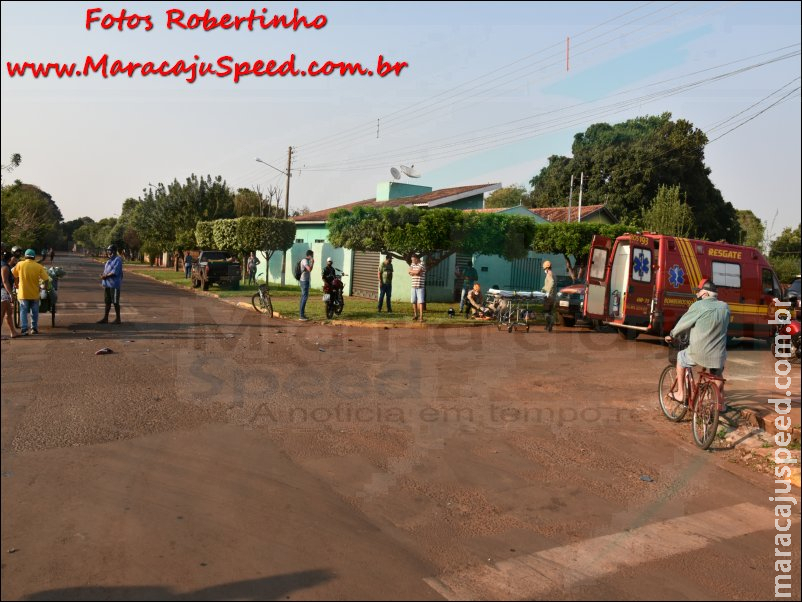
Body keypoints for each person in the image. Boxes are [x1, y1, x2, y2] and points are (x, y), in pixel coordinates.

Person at [664, 278, 730, 404]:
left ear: (705, 294)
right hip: (719, 354)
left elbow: (683, 324)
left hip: (699, 353)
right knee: (717, 373)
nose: (697, 294)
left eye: (699, 292)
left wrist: (672, 335)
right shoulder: (725, 307)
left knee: (681, 357)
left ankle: (680, 394)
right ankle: (719, 403)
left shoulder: (698, 305)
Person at [11, 249, 50, 335]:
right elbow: (46, 279)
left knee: (23, 311)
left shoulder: (20, 264)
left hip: (23, 293)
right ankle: (34, 328)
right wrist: (44, 289)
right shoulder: (38, 266)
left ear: (25, 256)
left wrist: (16, 284)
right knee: (35, 312)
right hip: (34, 294)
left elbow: (13, 274)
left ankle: (24, 329)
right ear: (34, 257)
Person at [98, 244, 124, 324]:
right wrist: (103, 275)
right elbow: (107, 270)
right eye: (108, 250)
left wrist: (105, 276)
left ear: (113, 251)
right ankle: (105, 318)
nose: (108, 252)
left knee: (115, 301)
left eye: (109, 250)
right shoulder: (109, 260)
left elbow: (114, 272)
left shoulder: (118, 259)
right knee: (107, 301)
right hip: (107, 284)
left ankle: (118, 319)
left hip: (114, 285)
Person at [1, 251, 21, 339]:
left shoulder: (6, 265)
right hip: (3, 292)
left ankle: (13, 332)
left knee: (9, 313)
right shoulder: (4, 267)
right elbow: (5, 282)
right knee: (1, 314)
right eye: (13, 257)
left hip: (4, 291)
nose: (14, 258)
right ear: (10, 258)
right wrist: (10, 294)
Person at [408, 254, 426, 322]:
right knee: (413, 301)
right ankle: (415, 315)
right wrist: (415, 273)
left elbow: (417, 271)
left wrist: (413, 272)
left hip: (420, 286)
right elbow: (409, 271)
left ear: (416, 258)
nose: (412, 261)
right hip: (413, 286)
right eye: (411, 260)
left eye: (413, 260)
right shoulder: (412, 264)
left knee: (420, 302)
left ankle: (421, 317)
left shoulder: (422, 263)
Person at [299, 250, 314, 321]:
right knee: (304, 297)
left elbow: (309, 269)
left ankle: (302, 314)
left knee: (303, 297)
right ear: (310, 255)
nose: (313, 257)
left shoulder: (306, 261)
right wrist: (312, 263)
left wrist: (311, 263)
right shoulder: (305, 261)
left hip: (305, 281)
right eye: (312, 255)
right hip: (304, 281)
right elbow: (309, 269)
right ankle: (301, 316)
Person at [542, 260, 556, 332]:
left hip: (549, 296)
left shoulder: (549, 274)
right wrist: (543, 289)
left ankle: (550, 323)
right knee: (550, 311)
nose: (544, 270)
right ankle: (548, 325)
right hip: (553, 296)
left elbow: (551, 283)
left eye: (544, 269)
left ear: (546, 268)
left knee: (546, 311)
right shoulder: (553, 274)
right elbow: (549, 284)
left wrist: (547, 292)